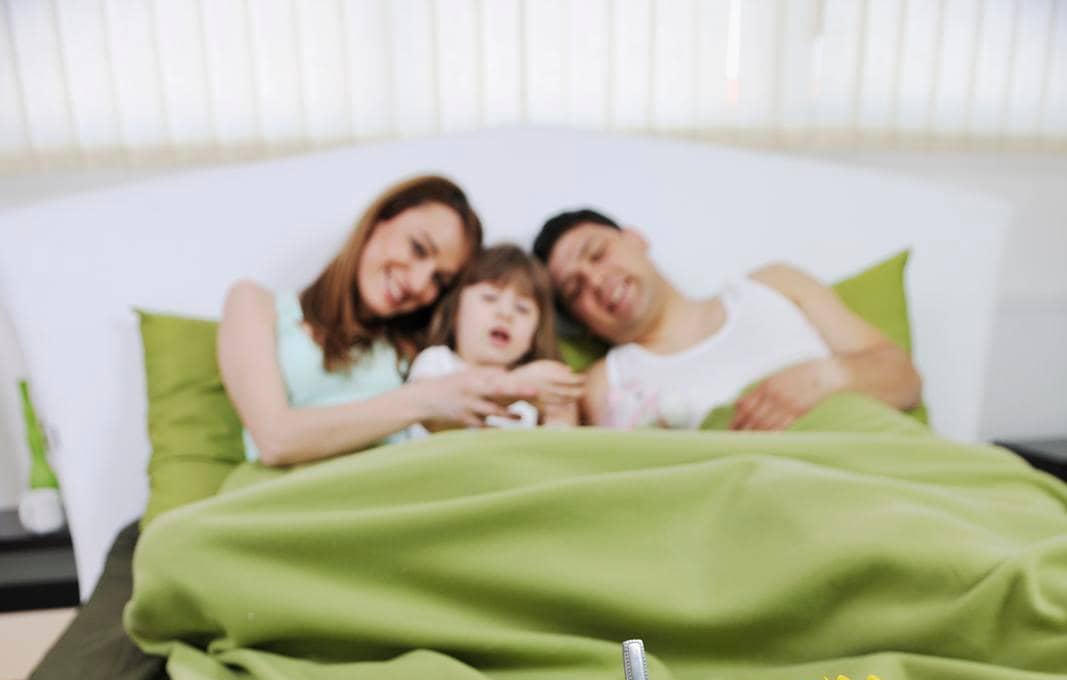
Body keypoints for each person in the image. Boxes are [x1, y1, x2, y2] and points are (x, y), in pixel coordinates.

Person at [219, 175, 533, 466]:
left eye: (439, 280)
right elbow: (276, 439)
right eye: (418, 248)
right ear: (379, 220)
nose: (419, 284)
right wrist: (424, 400)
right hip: (282, 501)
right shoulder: (255, 304)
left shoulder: (416, 350)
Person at [532, 208, 923, 430]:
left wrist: (824, 379)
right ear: (581, 323)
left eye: (598, 253)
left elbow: (904, 379)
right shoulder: (603, 383)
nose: (597, 281)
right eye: (574, 290)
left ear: (635, 238)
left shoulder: (774, 285)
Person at [406, 244, 585, 433]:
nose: (506, 313)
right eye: (490, 298)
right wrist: (516, 386)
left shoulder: (531, 401)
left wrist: (560, 414)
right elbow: (428, 414)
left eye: (522, 309)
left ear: (533, 338)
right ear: (456, 312)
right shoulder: (437, 361)